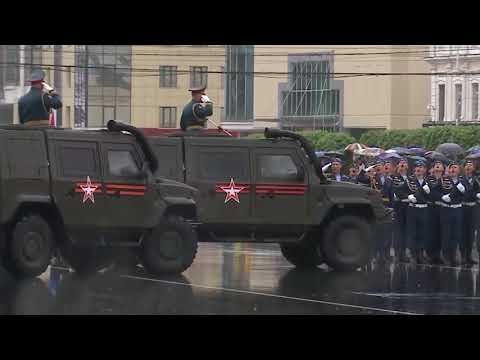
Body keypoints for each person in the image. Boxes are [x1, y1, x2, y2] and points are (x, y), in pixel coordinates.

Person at [437, 162, 466, 266]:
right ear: (448, 170)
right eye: (451, 168)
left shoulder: (462, 181)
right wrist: (442, 197)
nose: (452, 169)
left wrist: (464, 191)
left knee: (455, 234)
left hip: (457, 209)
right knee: (446, 234)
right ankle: (446, 256)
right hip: (446, 210)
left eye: (455, 167)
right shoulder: (443, 180)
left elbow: (469, 195)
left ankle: (453, 256)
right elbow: (435, 191)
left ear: (459, 170)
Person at [406, 161, 431, 264]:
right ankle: (413, 254)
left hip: (424, 208)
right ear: (414, 170)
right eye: (416, 167)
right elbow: (398, 190)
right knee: (413, 232)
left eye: (421, 167)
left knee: (422, 232)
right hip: (413, 208)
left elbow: (434, 195)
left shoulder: (428, 182)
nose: (418, 169)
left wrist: (430, 192)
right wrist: (408, 196)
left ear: (425, 170)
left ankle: (420, 253)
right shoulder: (409, 181)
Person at [426, 160, 446, 265]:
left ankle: (438, 254)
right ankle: (431, 254)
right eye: (435, 165)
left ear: (443, 168)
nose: (437, 167)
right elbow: (431, 191)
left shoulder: (446, 179)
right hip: (431, 208)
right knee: (431, 232)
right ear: (432, 168)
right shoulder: (429, 179)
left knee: (440, 232)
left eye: (440, 165)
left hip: (442, 208)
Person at [460, 159, 479, 266]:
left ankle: (469, 255)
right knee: (463, 232)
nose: (468, 167)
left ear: (473, 168)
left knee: (471, 233)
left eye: (470, 165)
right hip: (463, 207)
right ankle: (463, 256)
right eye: (466, 165)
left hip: (473, 208)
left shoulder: (476, 180)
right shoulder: (460, 179)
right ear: (463, 168)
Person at [391, 158, 410, 262]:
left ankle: (403, 252)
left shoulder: (410, 178)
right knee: (398, 230)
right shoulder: (394, 178)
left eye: (405, 163)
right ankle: (398, 253)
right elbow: (396, 190)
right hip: (399, 206)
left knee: (406, 230)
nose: (403, 164)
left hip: (408, 206)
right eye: (401, 163)